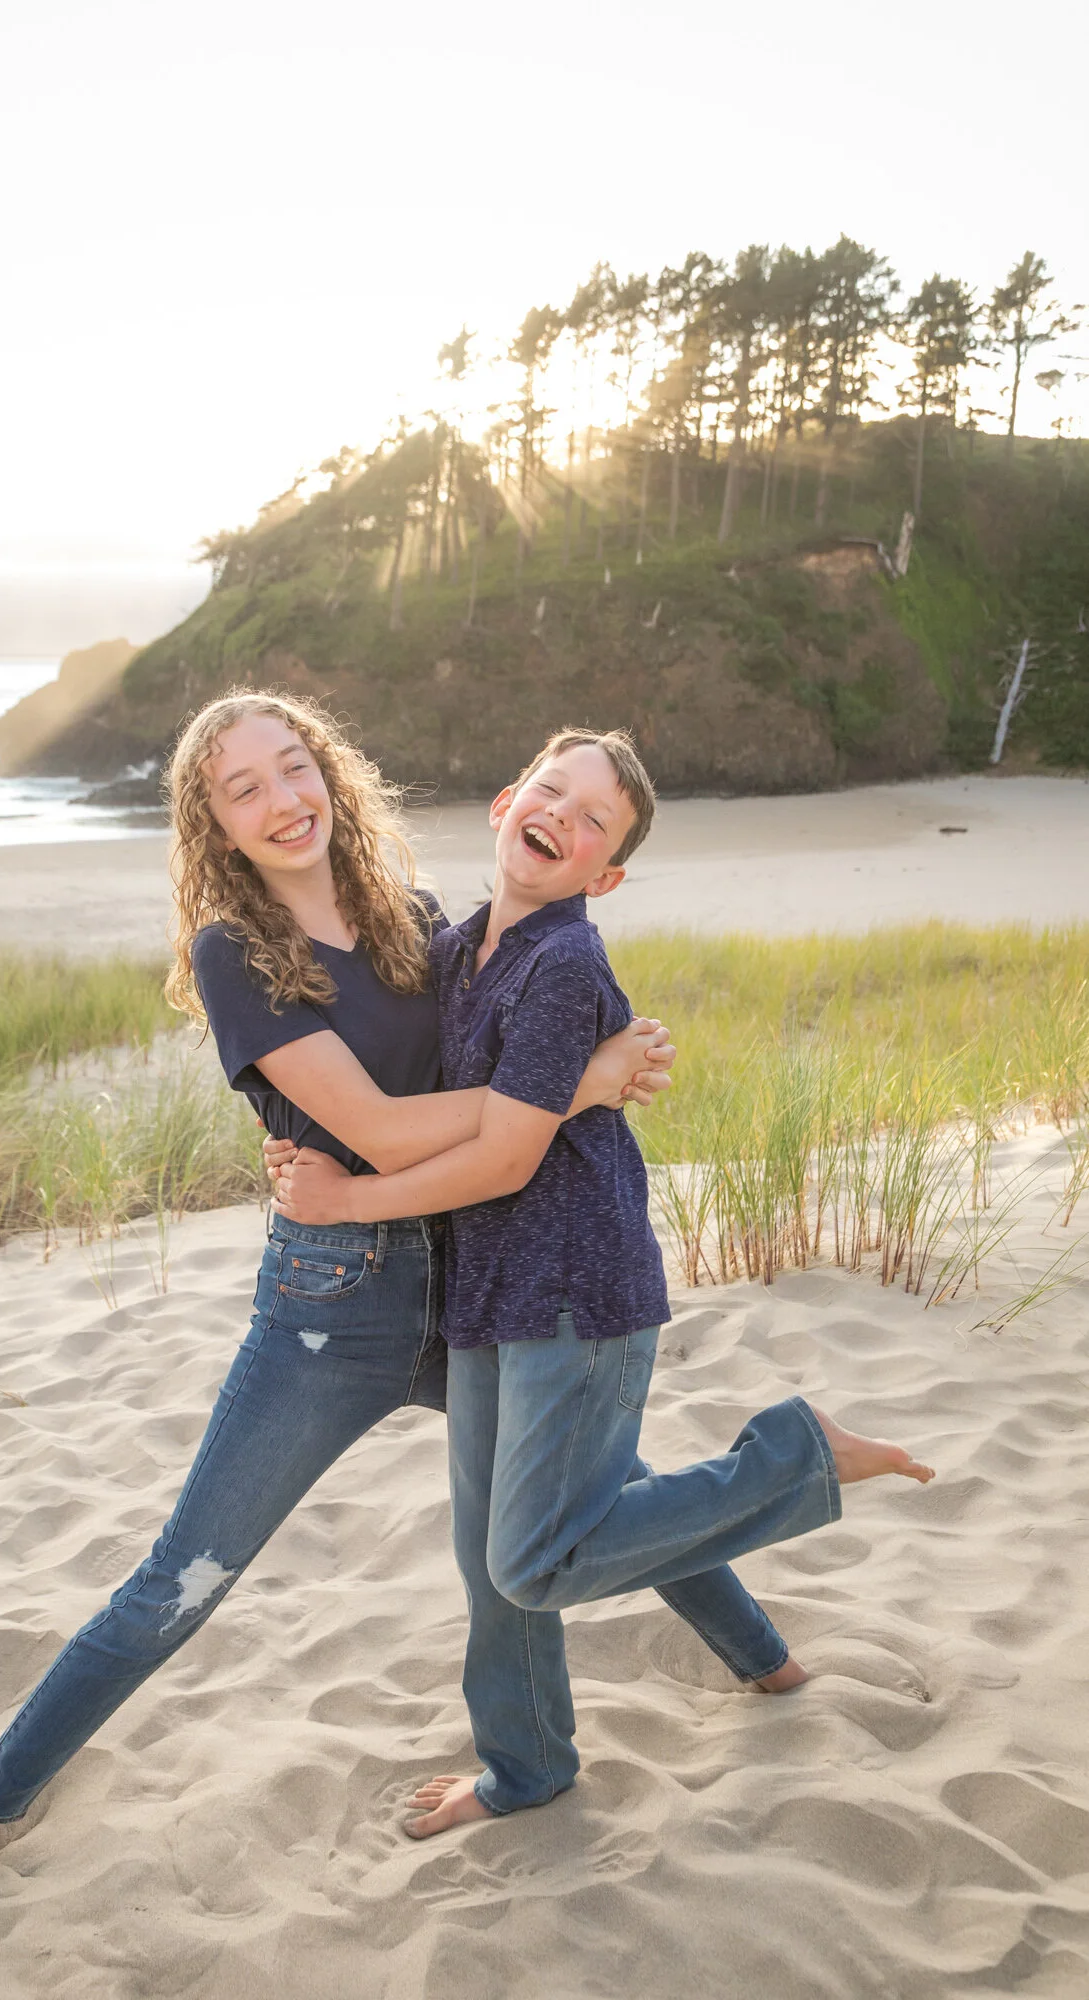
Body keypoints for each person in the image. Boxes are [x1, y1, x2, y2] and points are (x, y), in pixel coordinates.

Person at [0, 690, 675, 1868]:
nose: (282, 801)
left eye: (294, 768)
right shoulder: (232, 955)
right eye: (245, 789)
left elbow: (508, 1037)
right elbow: (381, 1130)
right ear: (215, 824)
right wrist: (575, 1086)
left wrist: (591, 1063)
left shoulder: (411, 916)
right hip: (330, 1306)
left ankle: (765, 1660)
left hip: (466, 1269)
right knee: (188, 1571)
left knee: (597, 1483)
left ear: (329, 770)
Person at [271, 726, 936, 1836]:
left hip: (575, 1289)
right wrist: (299, 1137)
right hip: (489, 1285)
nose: (562, 820)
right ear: (503, 800)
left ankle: (795, 1454)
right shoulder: (457, 945)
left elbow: (503, 1154)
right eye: (551, 792)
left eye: (592, 823)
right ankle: (529, 1762)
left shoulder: (565, 964)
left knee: (535, 1558)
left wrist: (343, 1202)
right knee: (493, 1558)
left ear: (605, 873)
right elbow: (398, 1076)